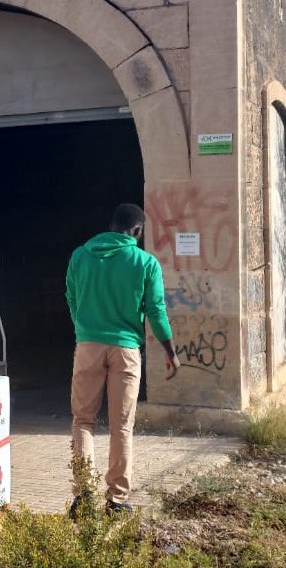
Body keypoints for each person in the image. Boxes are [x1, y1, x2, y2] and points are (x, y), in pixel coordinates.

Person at [65, 203, 180, 514]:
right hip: (126, 349)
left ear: (111, 225)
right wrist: (170, 352)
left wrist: (84, 328)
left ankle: (83, 495)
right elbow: (156, 311)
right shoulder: (145, 263)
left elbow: (72, 297)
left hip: (87, 344)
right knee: (121, 426)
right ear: (137, 231)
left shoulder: (80, 256)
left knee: (83, 421)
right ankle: (115, 500)